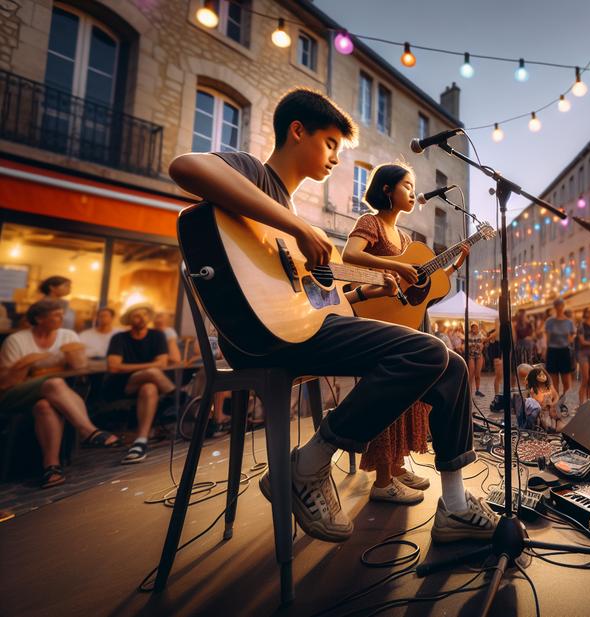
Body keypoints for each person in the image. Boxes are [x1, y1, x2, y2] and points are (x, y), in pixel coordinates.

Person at [167, 87, 496, 544]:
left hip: (299, 326)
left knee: (452, 365)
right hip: (260, 337)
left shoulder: (288, 211)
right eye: (331, 144)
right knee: (425, 352)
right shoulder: (254, 176)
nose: (336, 159)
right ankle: (308, 464)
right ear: (297, 131)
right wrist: (299, 227)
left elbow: (316, 297)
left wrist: (364, 288)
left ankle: (456, 506)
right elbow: (185, 168)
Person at [342, 161, 468, 505]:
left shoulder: (407, 239)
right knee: (390, 395)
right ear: (387, 189)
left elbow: (421, 289)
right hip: (374, 321)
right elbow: (349, 254)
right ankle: (382, 480)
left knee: (407, 396)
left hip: (401, 322)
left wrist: (453, 265)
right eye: (407, 186)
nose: (413, 193)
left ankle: (395, 467)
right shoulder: (371, 223)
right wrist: (396, 265)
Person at [0, 299, 121, 488]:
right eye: (56, 315)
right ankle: (87, 431)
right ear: (39, 318)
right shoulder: (17, 340)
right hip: (14, 394)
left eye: (61, 314)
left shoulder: (67, 335)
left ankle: (51, 468)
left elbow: (80, 368)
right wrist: (28, 362)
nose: (61, 318)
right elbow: (6, 383)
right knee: (55, 383)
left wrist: (75, 355)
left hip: (51, 396)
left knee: (44, 406)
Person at [104, 304, 175, 464]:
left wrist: (134, 367)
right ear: (129, 319)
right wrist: (149, 367)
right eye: (137, 315)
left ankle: (140, 441)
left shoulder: (157, 335)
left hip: (146, 385)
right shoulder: (119, 338)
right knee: (152, 373)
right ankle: (175, 398)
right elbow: (114, 367)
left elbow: (162, 362)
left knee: (149, 387)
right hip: (122, 384)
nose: (142, 318)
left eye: (145, 315)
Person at [543, 298, 575, 396]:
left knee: (566, 382)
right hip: (552, 351)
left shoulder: (569, 322)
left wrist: (569, 340)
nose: (559, 308)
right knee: (554, 380)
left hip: (564, 351)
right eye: (557, 306)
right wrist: (545, 350)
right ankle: (556, 403)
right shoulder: (549, 321)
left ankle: (563, 400)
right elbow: (547, 338)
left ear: (563, 306)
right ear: (555, 307)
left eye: (561, 306)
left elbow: (572, 336)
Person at [524, 366, 561, 432]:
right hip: (542, 413)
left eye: (543, 374)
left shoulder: (549, 387)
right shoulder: (534, 390)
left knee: (557, 425)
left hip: (552, 410)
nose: (543, 376)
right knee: (549, 427)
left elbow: (556, 396)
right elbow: (534, 404)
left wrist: (552, 404)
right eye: (540, 375)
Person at [466, 322, 485, 398]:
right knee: (471, 373)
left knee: (477, 374)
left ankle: (477, 390)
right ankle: (469, 391)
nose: (474, 329)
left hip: (479, 355)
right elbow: (466, 345)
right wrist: (473, 345)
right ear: (471, 328)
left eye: (475, 327)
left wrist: (481, 346)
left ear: (477, 328)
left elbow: (483, 344)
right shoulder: (468, 336)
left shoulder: (481, 335)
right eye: (473, 327)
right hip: (471, 355)